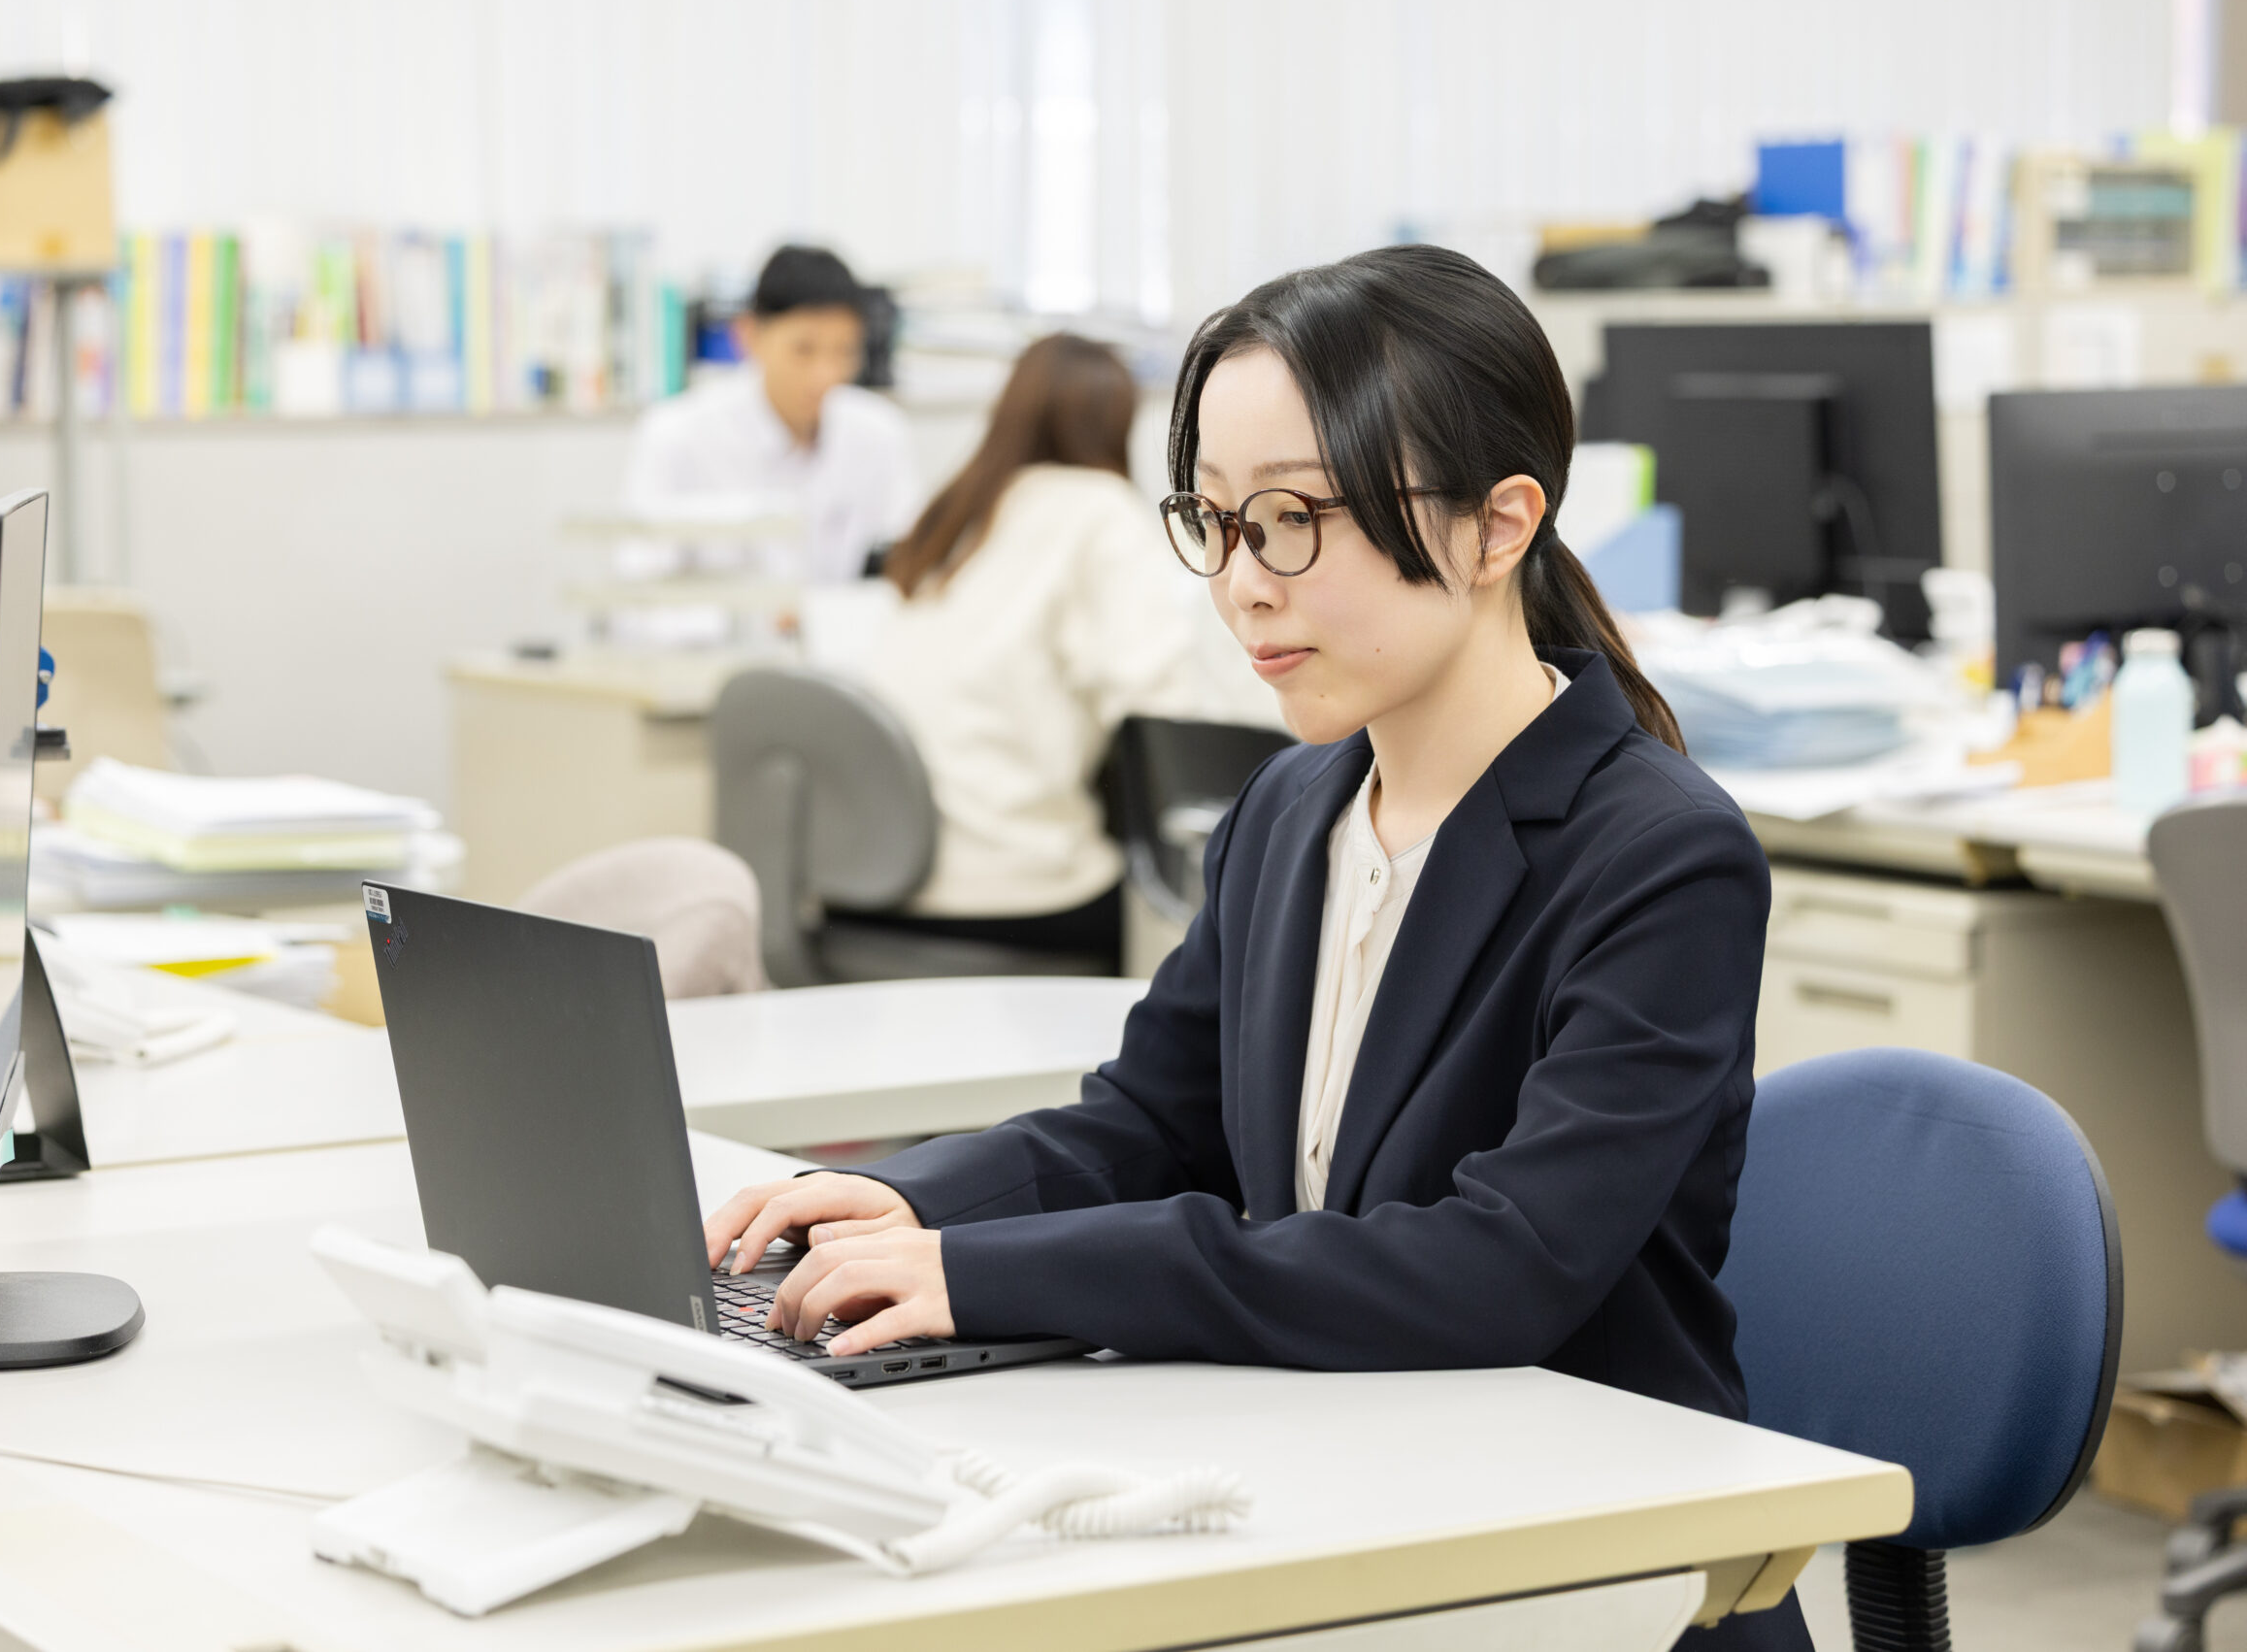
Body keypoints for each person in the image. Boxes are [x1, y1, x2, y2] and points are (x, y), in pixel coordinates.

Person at [704, 246, 1801, 1650]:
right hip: (1342, 1480)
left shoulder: (1657, 854)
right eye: (1214, 522)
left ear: (1498, 524)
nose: (1242, 585)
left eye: (1292, 520)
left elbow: (1501, 1264)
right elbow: (1146, 1126)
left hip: (1590, 1561)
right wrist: (911, 1205)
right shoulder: (1294, 806)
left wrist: (990, 1279)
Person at [839, 332, 1217, 970]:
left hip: (869, 878)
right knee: (1165, 908)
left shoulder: (956, 512)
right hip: (1008, 891)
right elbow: (1161, 700)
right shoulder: (1101, 514)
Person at [625, 245, 918, 583]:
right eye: (803, 350)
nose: (825, 374)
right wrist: (749, 619)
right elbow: (640, 591)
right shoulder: (677, 435)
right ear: (749, 334)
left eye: (844, 351)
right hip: (719, 636)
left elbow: (908, 564)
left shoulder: (879, 433)